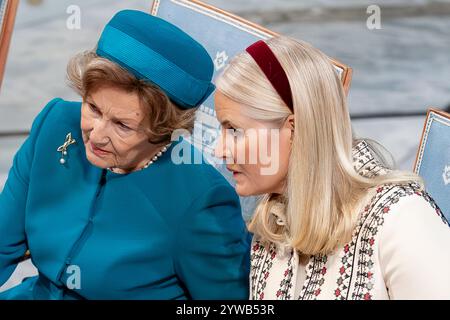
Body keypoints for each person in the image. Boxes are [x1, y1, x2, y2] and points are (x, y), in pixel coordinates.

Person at [0, 10, 250, 300]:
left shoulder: (202, 200)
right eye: (92, 108)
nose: (95, 135)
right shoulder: (54, 125)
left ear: (163, 129)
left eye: (122, 125)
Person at [213, 36, 450, 299]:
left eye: (234, 130)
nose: (219, 150)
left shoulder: (401, 219)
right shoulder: (271, 223)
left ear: (294, 128)